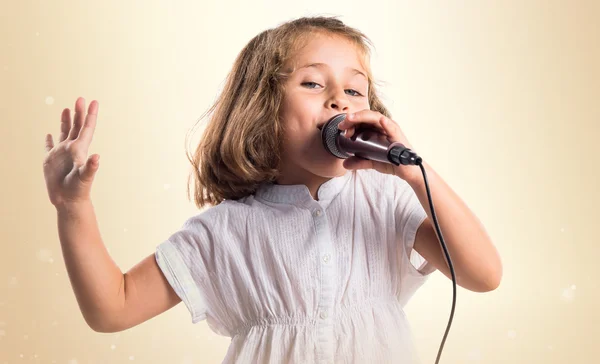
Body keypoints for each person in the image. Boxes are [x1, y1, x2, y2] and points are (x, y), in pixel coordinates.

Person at [42, 16, 502, 364]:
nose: (339, 100)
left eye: (356, 91)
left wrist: (415, 173)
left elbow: (483, 275)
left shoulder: (387, 201)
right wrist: (73, 206)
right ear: (263, 108)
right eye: (313, 83)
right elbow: (112, 309)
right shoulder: (223, 232)